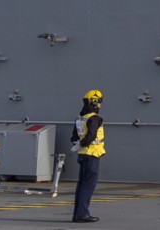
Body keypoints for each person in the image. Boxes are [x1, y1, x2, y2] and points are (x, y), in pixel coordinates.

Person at [70, 89, 104, 223]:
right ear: (94, 102)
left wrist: (78, 144)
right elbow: (91, 136)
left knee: (81, 185)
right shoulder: (94, 118)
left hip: (83, 154)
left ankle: (77, 214)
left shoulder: (80, 118)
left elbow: (73, 137)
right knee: (88, 186)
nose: (100, 106)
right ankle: (82, 214)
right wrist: (84, 142)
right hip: (92, 154)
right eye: (99, 102)